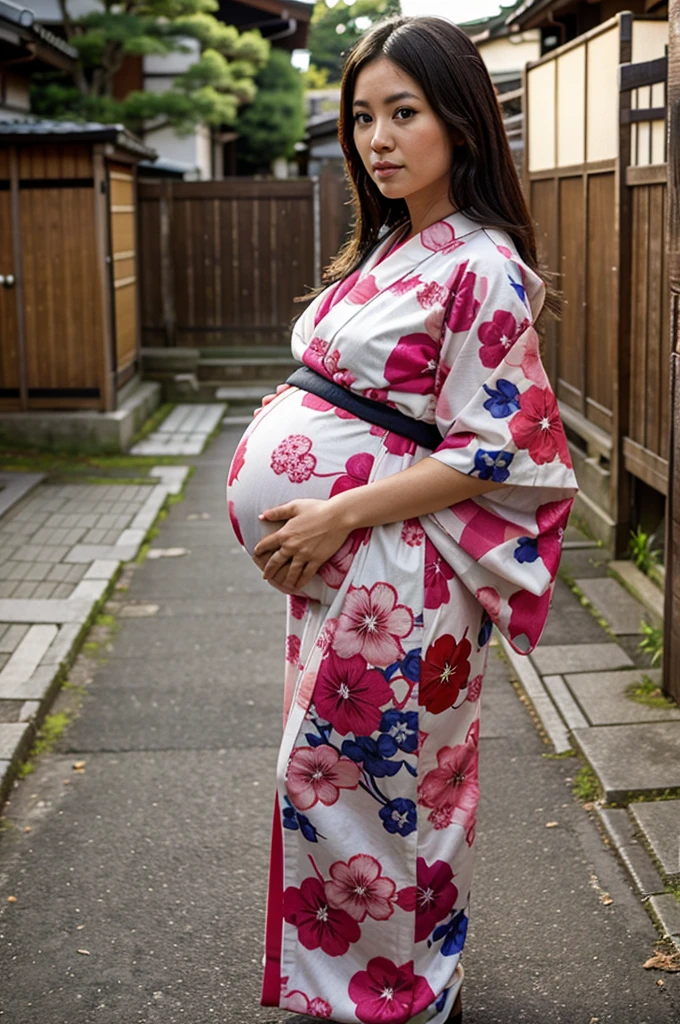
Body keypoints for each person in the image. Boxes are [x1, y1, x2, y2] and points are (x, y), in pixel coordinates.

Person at [226, 15, 578, 1024]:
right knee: (332, 779)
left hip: (402, 574)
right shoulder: (396, 247)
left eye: (403, 112)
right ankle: (364, 987)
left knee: (388, 790)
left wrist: (335, 511)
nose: (376, 137)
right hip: (348, 568)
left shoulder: (483, 265)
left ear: (460, 123)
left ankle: (410, 994)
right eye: (362, 117)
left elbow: (490, 446)